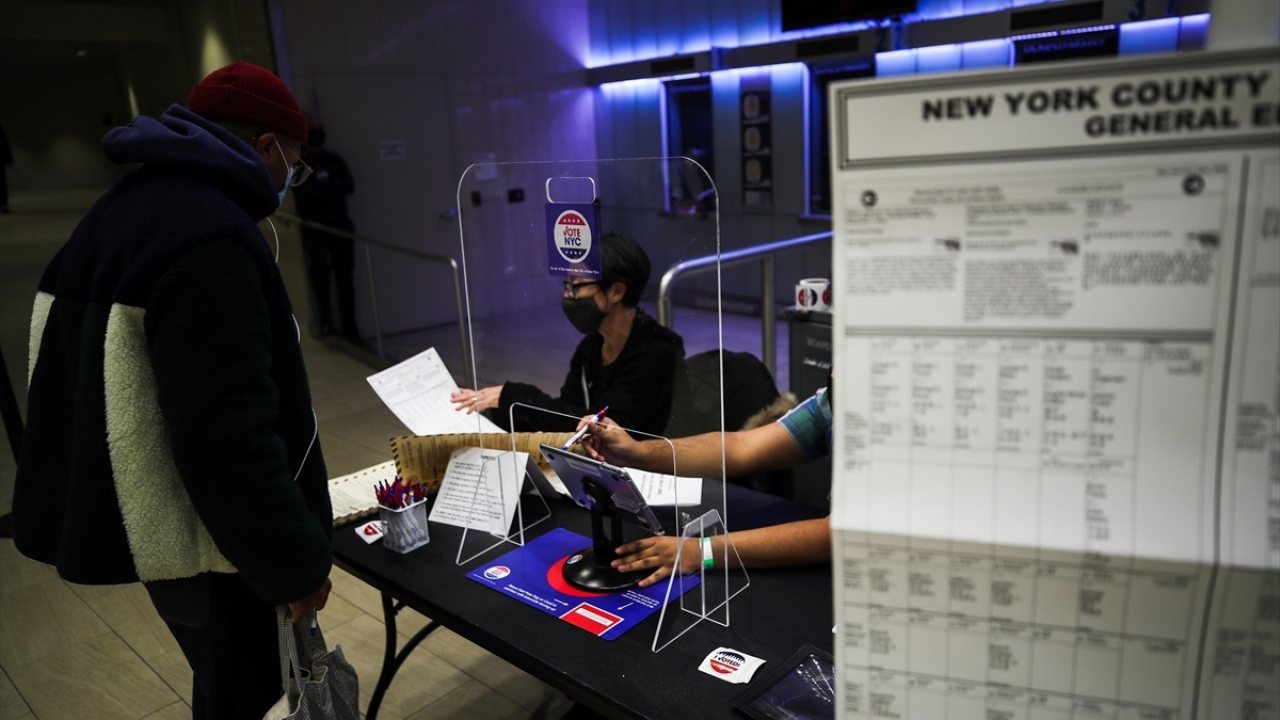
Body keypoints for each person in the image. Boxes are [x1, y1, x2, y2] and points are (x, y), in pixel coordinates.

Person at [12, 62, 333, 719]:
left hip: (154, 527)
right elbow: (228, 436)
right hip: (208, 541)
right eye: (293, 165)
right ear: (267, 148)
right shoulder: (210, 239)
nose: (289, 181)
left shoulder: (129, 208)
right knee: (253, 693)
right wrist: (291, 566)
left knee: (222, 681)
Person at [577, 384, 834, 588]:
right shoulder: (833, 400)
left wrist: (702, 551)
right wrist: (635, 452)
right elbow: (740, 448)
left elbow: (839, 534)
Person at [451, 231, 688, 437]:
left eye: (576, 286)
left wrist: (516, 396)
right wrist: (497, 409)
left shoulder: (656, 352)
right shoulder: (591, 348)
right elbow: (565, 417)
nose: (567, 296)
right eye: (567, 286)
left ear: (616, 291)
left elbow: (603, 429)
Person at [293, 114, 359, 341]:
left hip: (340, 223)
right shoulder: (298, 162)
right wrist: (330, 185)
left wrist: (322, 185)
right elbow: (305, 191)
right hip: (315, 227)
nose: (317, 131)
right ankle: (326, 324)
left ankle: (351, 331)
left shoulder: (334, 159)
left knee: (345, 277)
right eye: (312, 128)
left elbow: (349, 186)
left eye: (319, 127)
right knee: (320, 273)